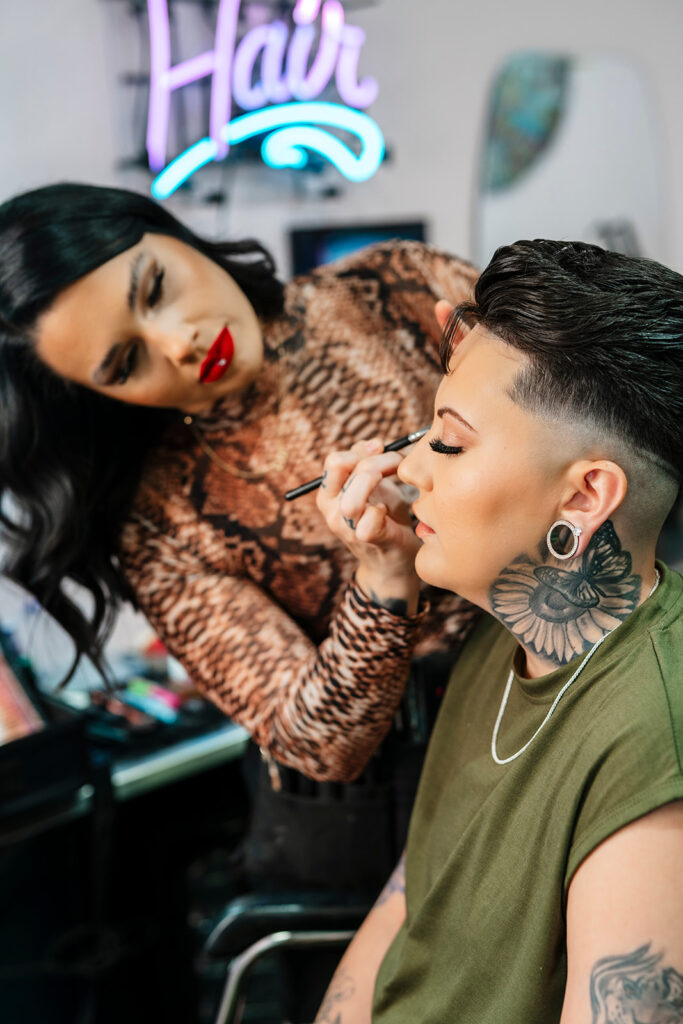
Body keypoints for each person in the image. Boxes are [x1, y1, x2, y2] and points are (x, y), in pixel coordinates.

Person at [313, 239, 683, 1022]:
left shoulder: (654, 741)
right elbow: (412, 901)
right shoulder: (502, 636)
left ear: (585, 498)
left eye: (447, 439)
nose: (408, 467)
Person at [0, 181, 479, 784]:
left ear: (170, 233)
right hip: (401, 797)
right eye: (126, 364)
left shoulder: (392, 283)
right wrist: (385, 583)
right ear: (98, 398)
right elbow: (315, 746)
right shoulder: (157, 523)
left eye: (155, 288)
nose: (180, 343)